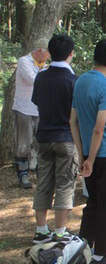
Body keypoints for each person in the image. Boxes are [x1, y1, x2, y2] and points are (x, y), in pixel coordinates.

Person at [70, 38, 106, 264]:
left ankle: (83, 250)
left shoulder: (81, 80)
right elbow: (99, 128)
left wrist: (83, 155)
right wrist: (91, 159)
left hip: (87, 154)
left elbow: (72, 120)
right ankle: (102, 255)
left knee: (92, 203)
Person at [31, 34, 78, 244]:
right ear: (71, 54)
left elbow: (36, 102)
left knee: (43, 183)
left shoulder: (41, 76)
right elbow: (75, 112)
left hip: (43, 135)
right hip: (65, 137)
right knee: (65, 184)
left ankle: (41, 230)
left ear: (50, 53)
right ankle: (60, 232)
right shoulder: (72, 80)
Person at [13, 37, 50, 188]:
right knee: (24, 143)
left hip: (39, 109)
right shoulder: (24, 62)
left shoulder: (45, 66)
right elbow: (34, 80)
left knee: (41, 142)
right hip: (24, 108)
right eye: (48, 52)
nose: (49, 56)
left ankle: (42, 174)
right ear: (40, 51)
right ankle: (23, 175)